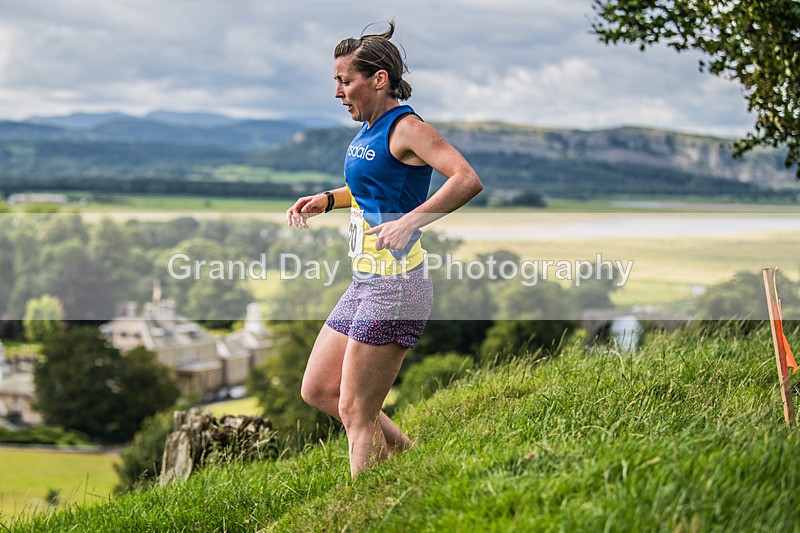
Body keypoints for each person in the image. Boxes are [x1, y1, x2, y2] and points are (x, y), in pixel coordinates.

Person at [286, 21, 483, 478]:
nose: (338, 92)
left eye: (344, 80)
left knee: (356, 413)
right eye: (336, 81)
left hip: (396, 287)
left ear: (378, 79)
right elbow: (373, 189)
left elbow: (466, 179)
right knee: (318, 389)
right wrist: (329, 199)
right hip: (365, 282)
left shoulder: (408, 128)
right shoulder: (370, 130)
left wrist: (413, 220)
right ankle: (415, 465)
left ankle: (367, 511)